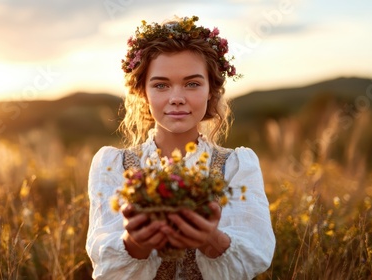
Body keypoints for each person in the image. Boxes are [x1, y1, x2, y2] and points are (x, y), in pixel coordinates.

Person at [86, 15, 275, 279]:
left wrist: (211, 239)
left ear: (211, 90)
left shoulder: (237, 166)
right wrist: (135, 242)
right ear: (143, 92)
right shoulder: (113, 165)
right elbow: (106, 268)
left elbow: (253, 258)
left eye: (192, 84)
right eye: (161, 85)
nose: (176, 98)